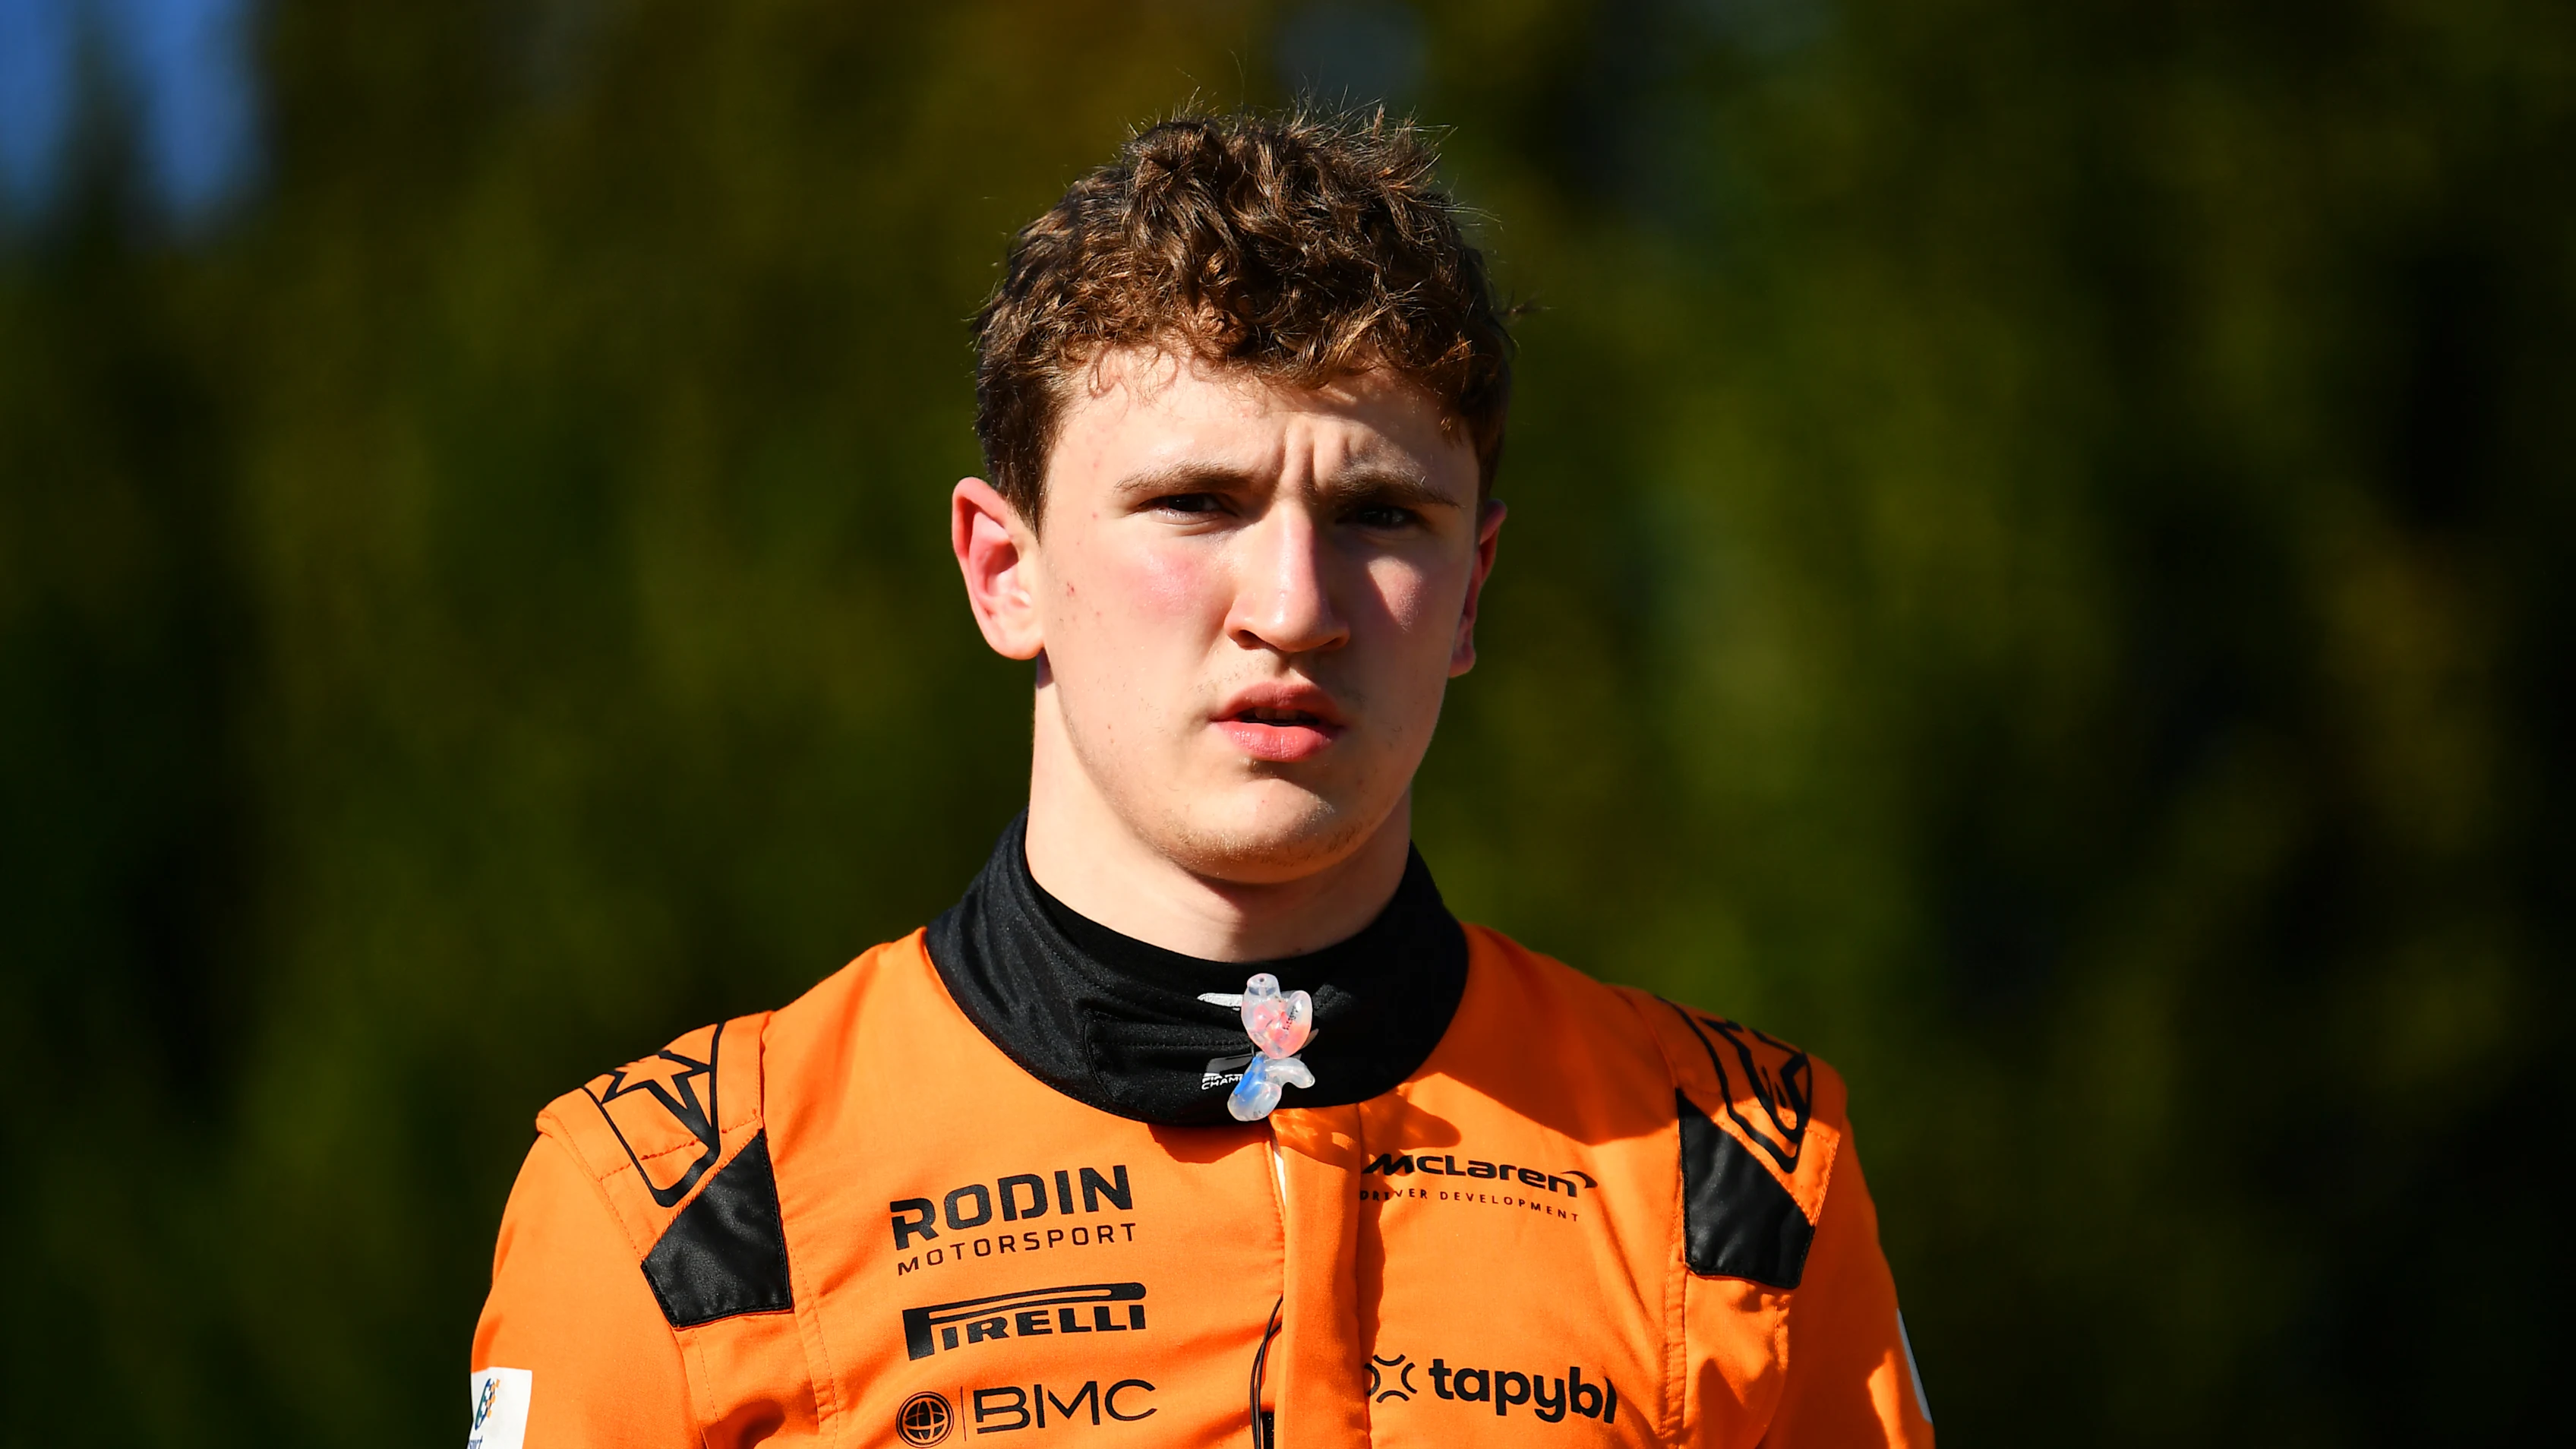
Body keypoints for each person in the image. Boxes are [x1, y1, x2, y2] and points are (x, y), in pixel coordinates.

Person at [468, 109, 1934, 1449]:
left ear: (1474, 590)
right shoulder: (681, 1209)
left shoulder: (1740, 1181)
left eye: (1381, 513)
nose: (1295, 604)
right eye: (1196, 503)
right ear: (1004, 570)